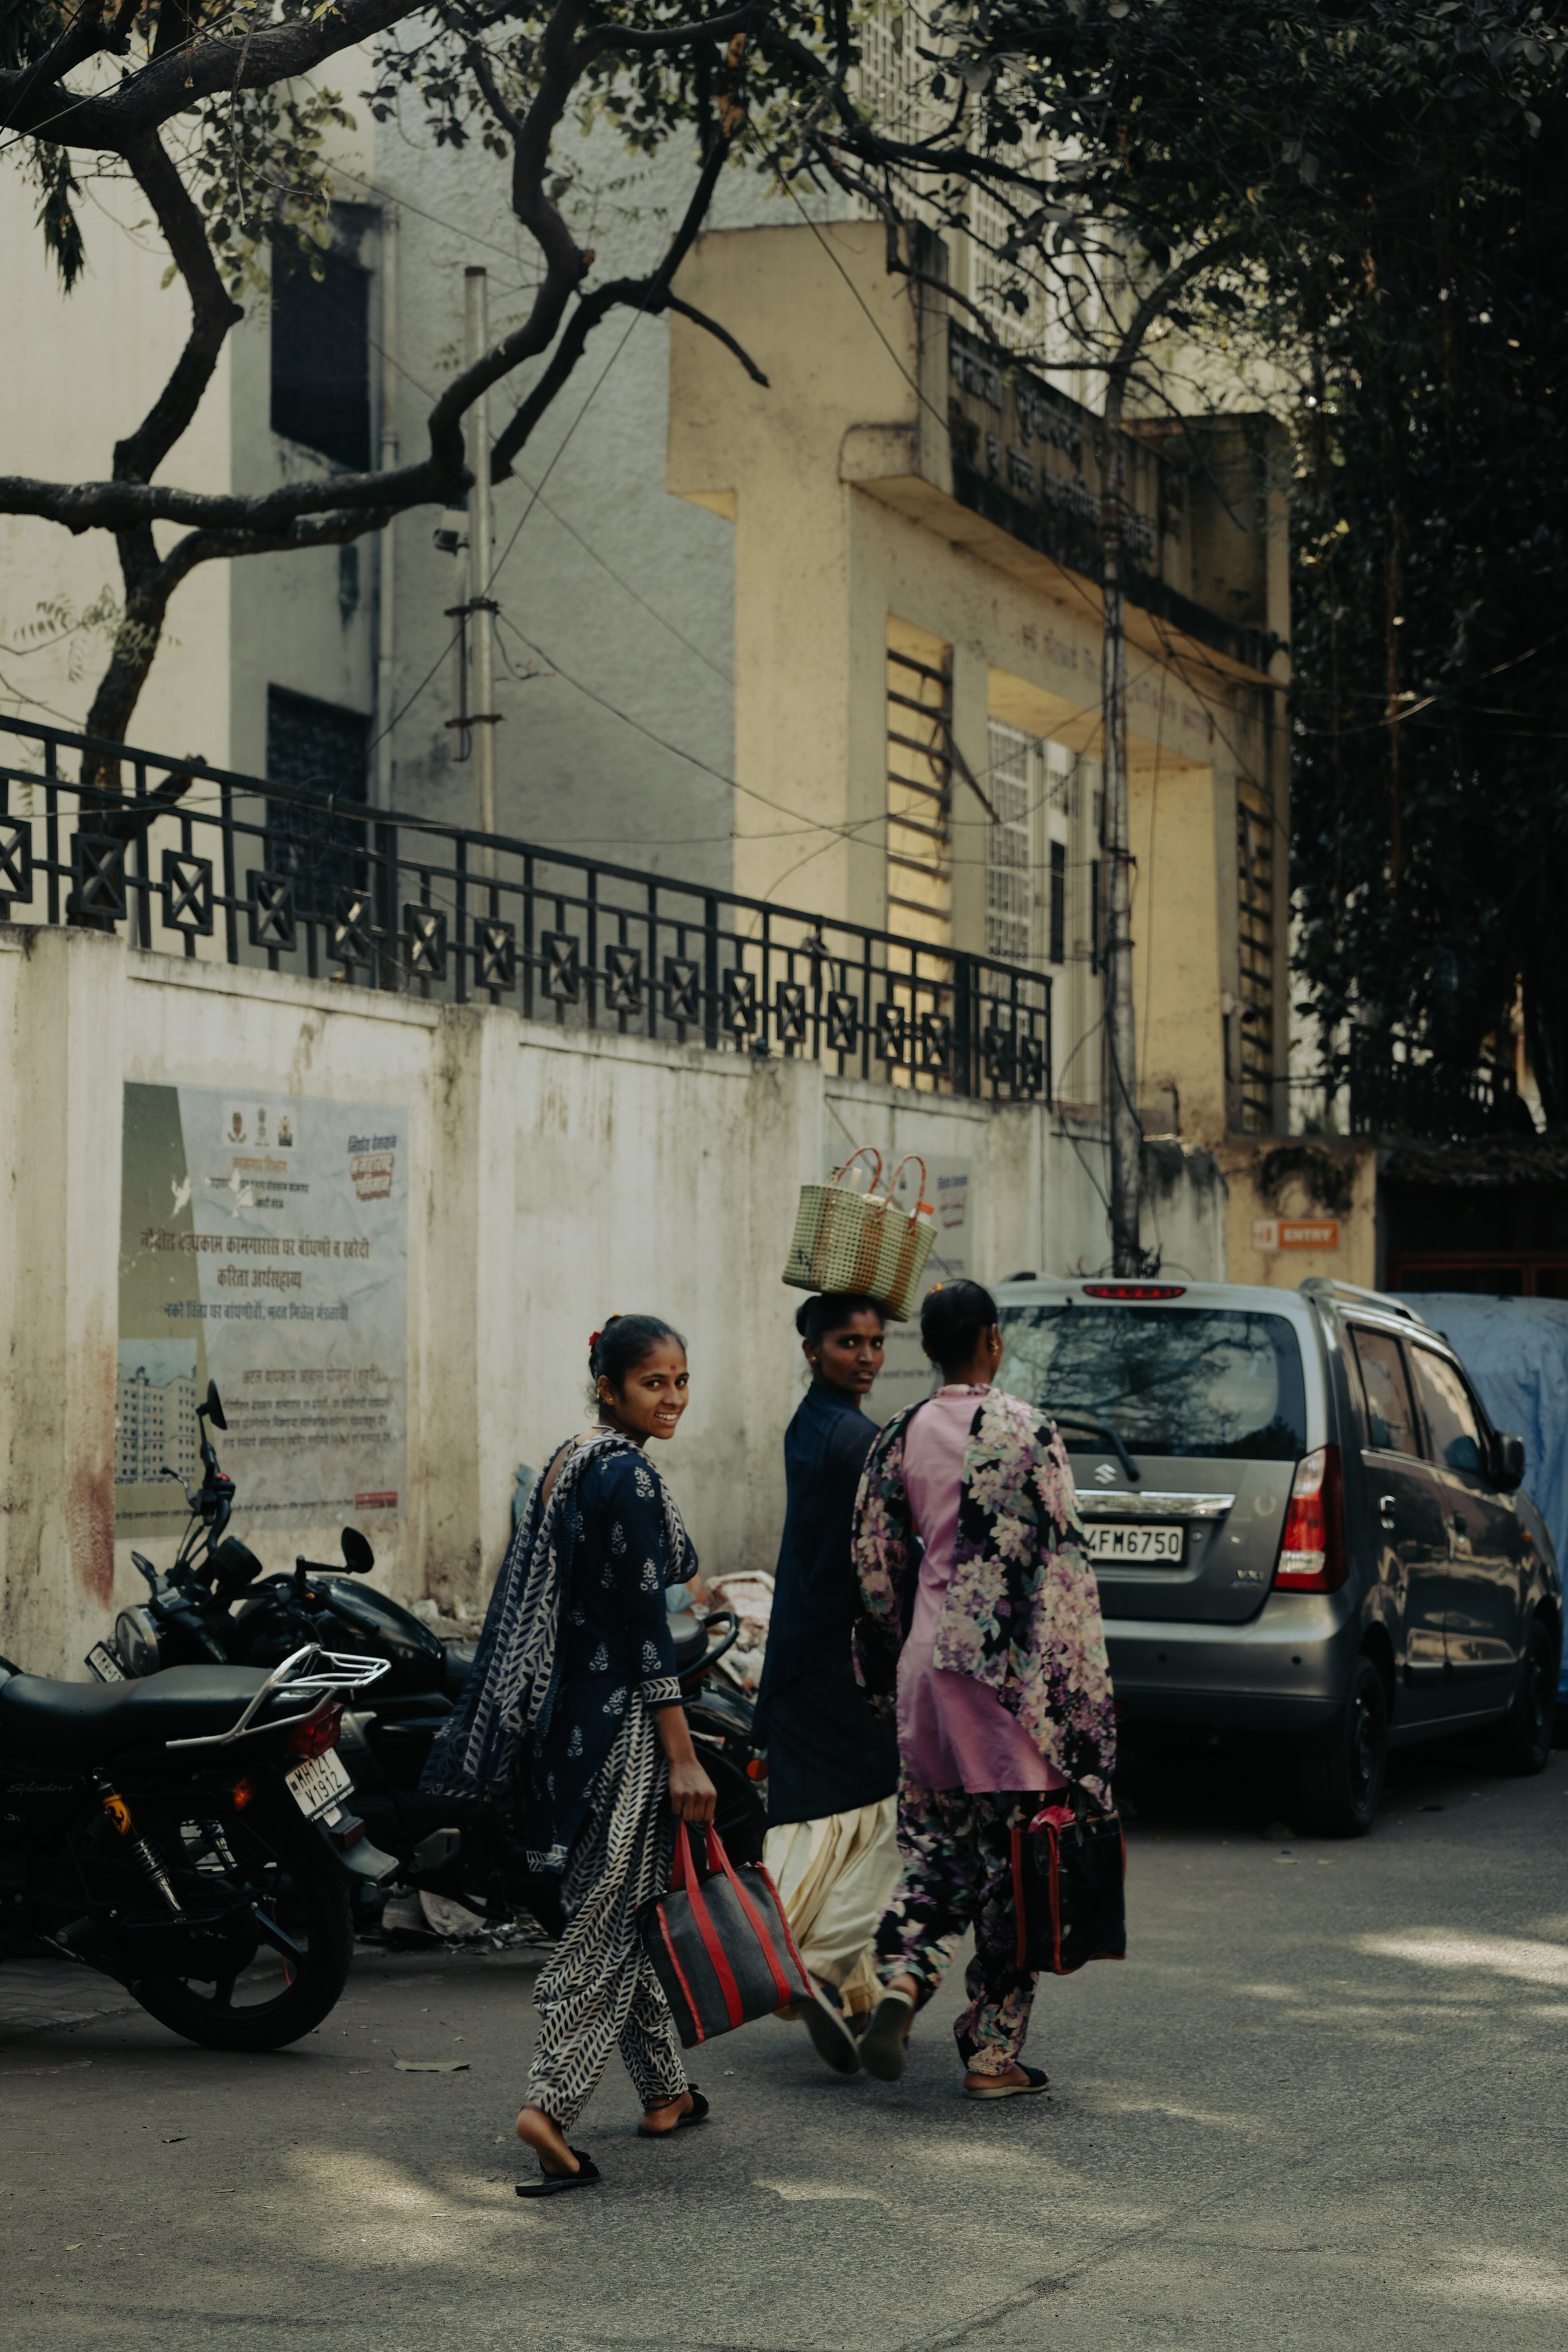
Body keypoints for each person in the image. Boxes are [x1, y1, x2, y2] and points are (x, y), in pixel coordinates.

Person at [420, 1314, 717, 2195]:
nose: (673, 1399)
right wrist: (683, 1755)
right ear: (610, 1388)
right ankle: (549, 2108)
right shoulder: (623, 1475)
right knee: (605, 1921)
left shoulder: (570, 1459)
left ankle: (666, 2092)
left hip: (564, 1724)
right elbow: (647, 1631)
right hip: (620, 1724)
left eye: (680, 1380)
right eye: (653, 1384)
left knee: (623, 1902)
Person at [849, 1278, 1116, 2098]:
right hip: (1008, 1685)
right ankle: (994, 2056)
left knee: (934, 1855)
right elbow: (1064, 1567)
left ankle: (903, 1976)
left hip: (927, 1675)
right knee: (1016, 1871)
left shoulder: (895, 1435)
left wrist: (887, 1666)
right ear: (992, 1341)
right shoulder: (1029, 1430)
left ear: (929, 1347)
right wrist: (1085, 1710)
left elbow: (873, 1569)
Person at [756, 1294, 902, 2075]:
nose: (867, 1356)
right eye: (850, 1342)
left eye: (876, 1342)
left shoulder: (812, 1422)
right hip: (839, 1658)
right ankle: (807, 1963)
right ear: (811, 1349)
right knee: (893, 1819)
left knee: (826, 1818)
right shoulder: (860, 1439)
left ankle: (854, 1997)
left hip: (800, 1651)